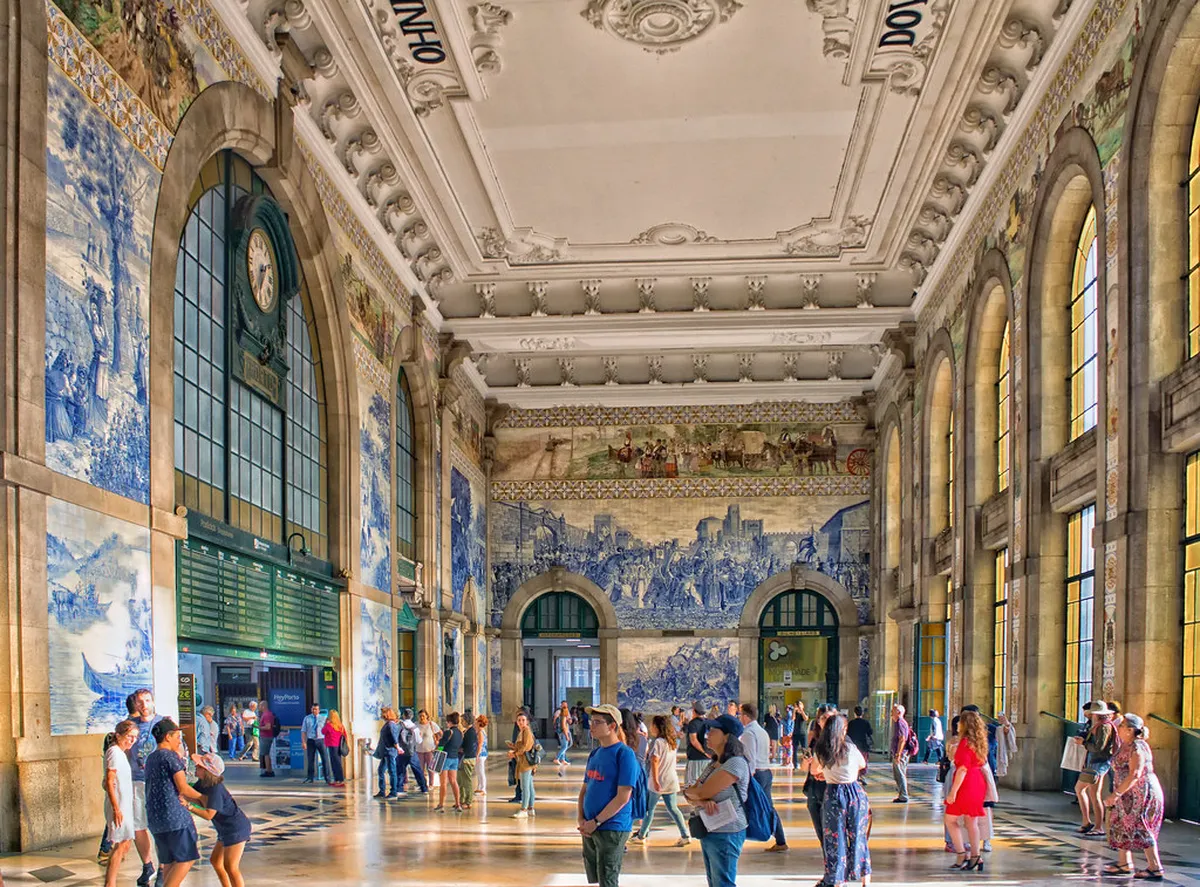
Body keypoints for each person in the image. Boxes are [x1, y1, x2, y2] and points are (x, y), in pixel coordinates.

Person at [682, 713, 750, 887]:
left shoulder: (736, 763)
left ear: (727, 737)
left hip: (727, 831)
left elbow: (702, 790)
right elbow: (690, 793)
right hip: (710, 828)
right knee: (714, 881)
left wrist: (697, 794)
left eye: (713, 731)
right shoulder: (714, 763)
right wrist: (701, 801)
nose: (707, 735)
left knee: (723, 883)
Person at [577, 704, 639, 887]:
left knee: (608, 879)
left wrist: (596, 822)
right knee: (598, 877)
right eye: (591, 722)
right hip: (589, 826)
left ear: (612, 726)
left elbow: (623, 797)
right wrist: (582, 819)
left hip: (611, 826)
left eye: (597, 722)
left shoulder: (624, 754)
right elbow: (584, 790)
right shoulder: (595, 754)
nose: (592, 726)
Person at [144, 719, 205, 887]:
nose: (180, 740)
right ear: (167, 736)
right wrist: (204, 799)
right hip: (175, 818)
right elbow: (183, 788)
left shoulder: (151, 758)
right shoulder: (171, 757)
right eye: (178, 736)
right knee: (187, 858)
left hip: (156, 819)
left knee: (169, 862)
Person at [1103, 714, 1165, 879]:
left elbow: (1135, 774)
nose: (1119, 728)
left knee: (1141, 826)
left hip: (1140, 794)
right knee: (1122, 825)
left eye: (1122, 726)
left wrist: (1116, 794)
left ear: (1131, 730)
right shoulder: (1127, 745)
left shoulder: (1138, 747)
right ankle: (1124, 863)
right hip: (1127, 794)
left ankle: (1155, 866)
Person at [814, 713, 872, 887]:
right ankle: (864, 880)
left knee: (834, 839)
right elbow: (862, 764)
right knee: (858, 836)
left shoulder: (822, 749)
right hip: (854, 793)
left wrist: (827, 773)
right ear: (843, 729)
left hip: (833, 794)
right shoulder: (850, 748)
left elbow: (815, 769)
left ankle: (837, 880)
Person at [184, 752, 251, 887]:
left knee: (231, 867)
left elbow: (209, 814)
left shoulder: (215, 789)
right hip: (225, 829)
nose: (196, 766)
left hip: (235, 828)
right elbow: (195, 795)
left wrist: (189, 806)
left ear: (207, 771)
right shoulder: (203, 784)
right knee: (215, 861)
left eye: (200, 766)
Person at [631, 714, 690, 847]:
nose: (651, 728)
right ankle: (685, 834)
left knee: (649, 809)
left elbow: (655, 761)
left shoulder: (658, 742)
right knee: (673, 809)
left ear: (658, 727)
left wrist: (655, 780)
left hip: (659, 781)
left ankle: (642, 835)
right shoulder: (672, 741)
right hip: (671, 779)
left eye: (652, 725)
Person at [738, 703, 787, 852]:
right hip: (765, 772)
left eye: (740, 715)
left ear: (745, 716)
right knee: (768, 807)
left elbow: (750, 757)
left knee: (747, 806)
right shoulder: (761, 731)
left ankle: (740, 838)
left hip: (756, 774)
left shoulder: (748, 733)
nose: (740, 718)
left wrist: (748, 776)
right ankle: (780, 840)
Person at [945, 710, 989, 872]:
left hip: (966, 783)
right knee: (972, 821)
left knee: (950, 819)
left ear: (965, 724)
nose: (957, 724)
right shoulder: (979, 743)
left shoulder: (964, 743)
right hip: (978, 782)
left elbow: (963, 768)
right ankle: (975, 856)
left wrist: (953, 792)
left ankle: (961, 853)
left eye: (959, 722)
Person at [102, 720, 139, 887]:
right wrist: (116, 808)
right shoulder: (114, 753)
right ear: (118, 736)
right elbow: (109, 781)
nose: (132, 740)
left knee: (125, 842)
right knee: (120, 843)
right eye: (129, 736)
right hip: (119, 804)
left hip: (124, 803)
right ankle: (110, 883)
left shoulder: (121, 753)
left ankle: (111, 881)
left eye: (134, 737)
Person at [1075, 700, 1117, 836]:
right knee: (1092, 793)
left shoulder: (1103, 727)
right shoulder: (1099, 725)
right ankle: (1088, 822)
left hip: (1099, 761)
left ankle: (1096, 825)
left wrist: (1084, 743)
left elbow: (1099, 747)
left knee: (1084, 790)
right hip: (1096, 761)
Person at [799, 705, 836, 843]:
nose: (826, 722)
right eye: (823, 718)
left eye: (830, 719)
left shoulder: (839, 740)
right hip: (814, 786)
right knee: (819, 827)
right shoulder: (813, 738)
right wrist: (807, 762)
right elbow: (805, 768)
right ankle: (827, 855)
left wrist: (822, 771)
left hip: (830, 786)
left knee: (831, 826)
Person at [507, 710, 537, 818]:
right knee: (529, 785)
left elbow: (526, 747)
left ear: (527, 721)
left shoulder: (527, 731)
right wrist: (513, 746)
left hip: (526, 763)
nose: (521, 722)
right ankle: (530, 808)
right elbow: (522, 746)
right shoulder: (522, 732)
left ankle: (524, 809)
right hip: (524, 762)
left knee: (525, 787)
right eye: (519, 720)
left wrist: (514, 754)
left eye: (523, 720)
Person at [436, 712, 465, 813]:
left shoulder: (449, 732)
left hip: (445, 758)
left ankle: (441, 804)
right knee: (453, 781)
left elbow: (441, 745)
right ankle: (458, 804)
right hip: (455, 758)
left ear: (449, 722)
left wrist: (437, 747)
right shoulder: (460, 733)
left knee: (443, 782)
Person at [374, 707, 403, 799]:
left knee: (392, 771)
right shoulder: (388, 724)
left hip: (389, 751)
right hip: (385, 751)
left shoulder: (391, 725)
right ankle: (382, 791)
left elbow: (394, 738)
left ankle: (393, 792)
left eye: (383, 713)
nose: (381, 715)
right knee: (381, 770)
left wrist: (397, 747)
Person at [397, 709, 428, 794]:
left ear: (403, 715)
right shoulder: (415, 727)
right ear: (412, 716)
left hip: (402, 752)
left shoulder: (400, 725)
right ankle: (424, 788)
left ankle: (399, 789)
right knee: (418, 770)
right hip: (412, 752)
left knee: (400, 770)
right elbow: (419, 741)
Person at [889, 703, 914, 802]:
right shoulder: (899, 722)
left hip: (901, 753)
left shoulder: (900, 722)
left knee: (900, 773)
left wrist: (898, 754)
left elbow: (902, 739)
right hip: (900, 752)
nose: (891, 713)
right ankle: (901, 793)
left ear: (898, 712)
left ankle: (903, 795)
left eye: (893, 711)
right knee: (898, 773)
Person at [685, 701, 711, 785]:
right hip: (708, 758)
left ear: (694, 711)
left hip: (695, 757)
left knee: (693, 783)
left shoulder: (693, 723)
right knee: (705, 783)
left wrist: (703, 751)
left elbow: (694, 740)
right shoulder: (708, 722)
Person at [299, 703, 326, 784]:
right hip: (311, 740)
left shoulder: (323, 718)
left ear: (319, 710)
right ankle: (310, 777)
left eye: (316, 709)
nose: (314, 711)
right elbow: (303, 731)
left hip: (321, 740)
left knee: (325, 759)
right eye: (313, 709)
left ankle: (327, 777)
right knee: (310, 759)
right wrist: (304, 742)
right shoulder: (307, 718)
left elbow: (327, 730)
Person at [457, 714, 479, 808]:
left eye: (463, 721)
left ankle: (468, 800)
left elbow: (469, 746)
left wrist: (461, 749)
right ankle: (461, 800)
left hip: (467, 758)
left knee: (467, 780)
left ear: (467, 721)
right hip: (464, 758)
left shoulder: (470, 732)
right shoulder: (467, 731)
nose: (461, 722)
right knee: (461, 780)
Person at [416, 709, 441, 789]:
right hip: (419, 750)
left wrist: (437, 743)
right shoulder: (416, 724)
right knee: (420, 768)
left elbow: (440, 733)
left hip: (430, 750)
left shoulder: (431, 724)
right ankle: (422, 784)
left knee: (430, 768)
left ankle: (431, 784)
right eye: (420, 716)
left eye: (423, 716)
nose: (421, 717)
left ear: (427, 716)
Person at [321, 709, 347, 787]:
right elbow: (345, 735)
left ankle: (338, 779)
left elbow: (323, 731)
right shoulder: (340, 726)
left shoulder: (329, 725)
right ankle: (339, 779)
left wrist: (325, 723)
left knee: (334, 763)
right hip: (338, 746)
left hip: (332, 745)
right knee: (338, 762)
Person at [847, 706, 874, 779]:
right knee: (863, 760)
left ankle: (856, 774)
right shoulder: (866, 723)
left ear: (854, 713)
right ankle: (862, 775)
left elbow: (848, 734)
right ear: (862, 713)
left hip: (854, 746)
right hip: (864, 746)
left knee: (853, 760)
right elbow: (870, 732)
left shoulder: (851, 723)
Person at [257, 701, 277, 778]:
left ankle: (268, 770)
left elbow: (268, 727)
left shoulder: (266, 715)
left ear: (263, 706)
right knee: (266, 753)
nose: (259, 707)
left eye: (260, 706)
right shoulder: (267, 714)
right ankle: (269, 769)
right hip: (266, 736)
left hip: (266, 736)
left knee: (265, 753)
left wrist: (259, 727)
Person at [474, 714, 490, 797]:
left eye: (477, 721)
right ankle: (479, 787)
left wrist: (477, 754)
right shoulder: (480, 731)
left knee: (481, 771)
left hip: (481, 754)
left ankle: (483, 789)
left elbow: (480, 744)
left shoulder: (480, 732)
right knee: (478, 771)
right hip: (481, 753)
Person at [791, 701, 809, 769]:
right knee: (794, 750)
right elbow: (792, 719)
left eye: (800, 705)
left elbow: (806, 718)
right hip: (795, 733)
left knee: (804, 749)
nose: (798, 706)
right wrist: (794, 711)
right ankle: (795, 765)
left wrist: (801, 711)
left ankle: (806, 764)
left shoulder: (805, 713)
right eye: (797, 705)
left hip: (803, 733)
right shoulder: (795, 713)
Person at [556, 700, 574, 766]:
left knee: (565, 746)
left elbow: (569, 722)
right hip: (563, 732)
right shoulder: (562, 716)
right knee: (564, 746)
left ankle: (563, 759)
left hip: (566, 731)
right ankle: (557, 758)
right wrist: (566, 735)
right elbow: (563, 726)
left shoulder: (565, 715)